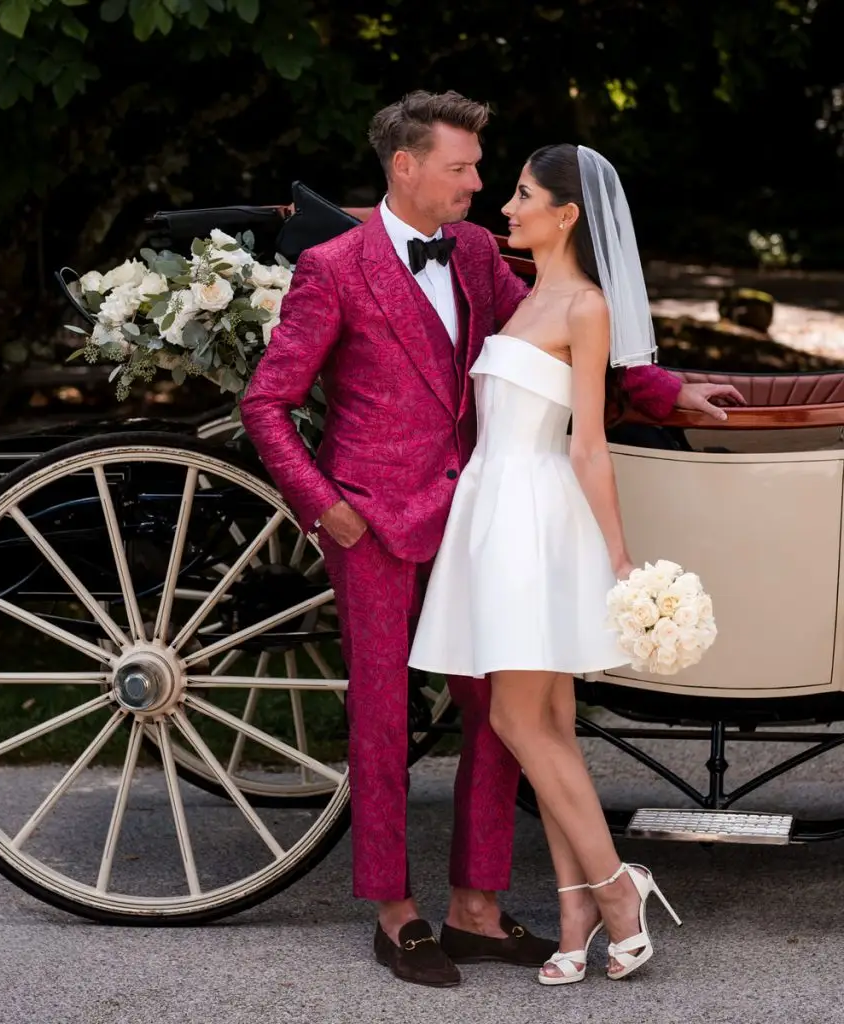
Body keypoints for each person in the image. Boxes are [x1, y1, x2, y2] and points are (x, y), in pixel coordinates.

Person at [240, 91, 743, 988]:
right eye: (462, 167)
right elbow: (266, 404)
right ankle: (396, 913)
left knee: (498, 719)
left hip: (482, 521)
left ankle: (475, 907)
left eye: (483, 170)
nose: (478, 184)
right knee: (382, 718)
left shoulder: (475, 253)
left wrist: (669, 391)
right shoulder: (334, 266)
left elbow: (562, 346)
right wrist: (325, 508)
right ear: (406, 166)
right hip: (372, 521)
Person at [409, 142, 691, 984]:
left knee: (516, 720)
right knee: (551, 726)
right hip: (492, 510)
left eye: (524, 195)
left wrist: (618, 556)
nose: (507, 206)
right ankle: (577, 914)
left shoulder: (586, 307)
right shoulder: (525, 295)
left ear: (566, 215)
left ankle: (619, 890)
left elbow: (588, 445)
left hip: (535, 520)